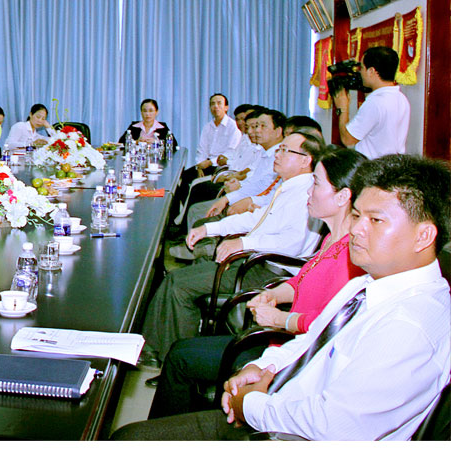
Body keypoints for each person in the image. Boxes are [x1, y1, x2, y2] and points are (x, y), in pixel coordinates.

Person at [115, 153, 450, 440]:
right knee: (130, 437)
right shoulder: (366, 286)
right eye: (358, 215)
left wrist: (250, 405)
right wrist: (261, 366)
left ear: (424, 236)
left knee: (129, 440)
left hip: (289, 434)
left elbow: (334, 426)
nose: (358, 229)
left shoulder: (410, 325)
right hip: (277, 406)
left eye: (375, 220)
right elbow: (310, 343)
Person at [147, 146, 367, 417]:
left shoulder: (352, 255)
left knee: (181, 357)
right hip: (283, 343)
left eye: (316, 184)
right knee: (182, 352)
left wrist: (280, 319)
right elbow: (301, 280)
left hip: (296, 356)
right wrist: (275, 294)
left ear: (342, 196)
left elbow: (333, 325)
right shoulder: (331, 239)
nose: (309, 192)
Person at [141, 130, 322, 364]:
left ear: (305, 160)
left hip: (270, 272)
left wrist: (243, 242)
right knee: (176, 279)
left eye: (285, 150)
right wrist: (209, 229)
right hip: (256, 261)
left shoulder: (305, 193)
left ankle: (172, 358)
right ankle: (154, 348)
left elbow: (292, 244)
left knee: (179, 284)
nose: (278, 154)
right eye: (279, 149)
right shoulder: (290, 186)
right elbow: (256, 219)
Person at [335, 46, 410, 158]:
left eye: (361, 68)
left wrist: (343, 108)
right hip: (392, 163)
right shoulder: (402, 98)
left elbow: (348, 140)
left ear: (371, 71)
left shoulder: (375, 102)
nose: (360, 72)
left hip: (372, 165)